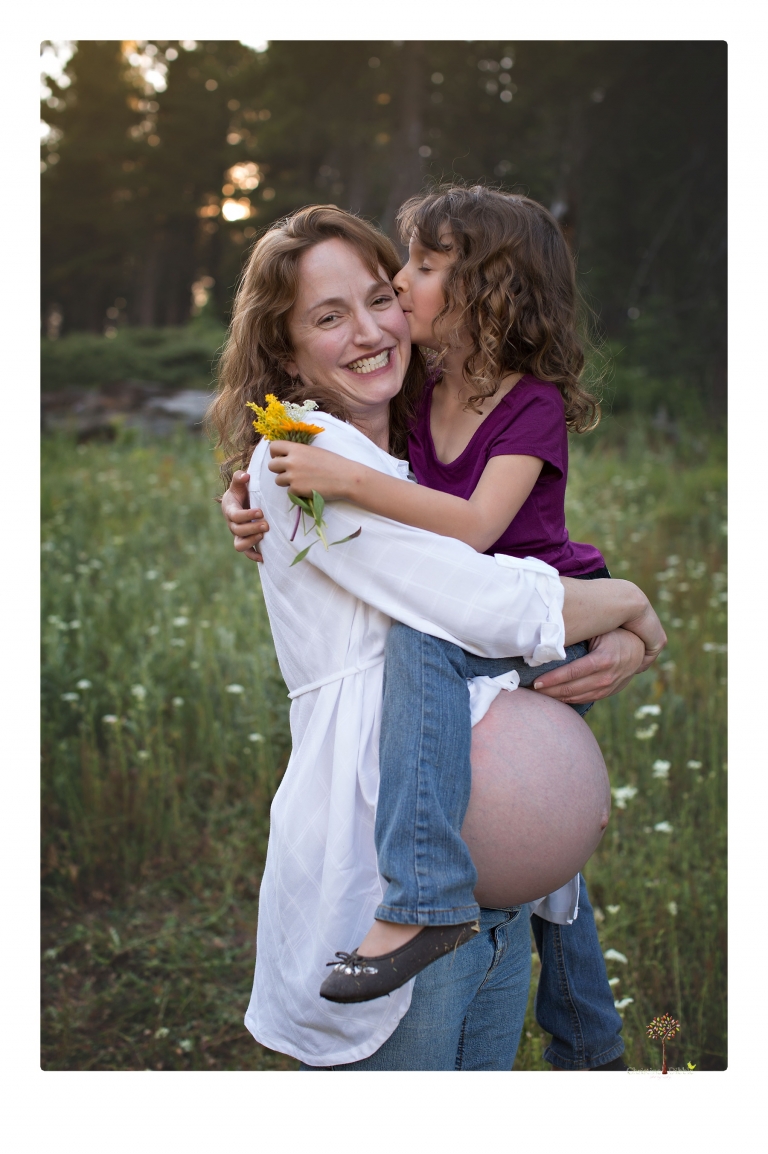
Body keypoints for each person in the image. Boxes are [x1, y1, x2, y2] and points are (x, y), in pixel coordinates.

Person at [209, 203, 663, 1070]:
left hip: (505, 907)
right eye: (328, 317)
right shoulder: (303, 459)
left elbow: (494, 549)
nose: (373, 329)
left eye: (381, 297)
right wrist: (629, 603)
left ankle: (590, 1039)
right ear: (285, 348)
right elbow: (482, 602)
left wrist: (617, 627)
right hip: (382, 888)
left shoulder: (411, 441)